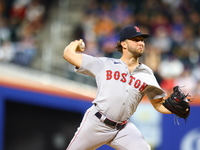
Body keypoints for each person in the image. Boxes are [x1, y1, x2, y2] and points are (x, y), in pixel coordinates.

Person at [63, 25, 172, 150]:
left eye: (142, 40)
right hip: (97, 123)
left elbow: (158, 104)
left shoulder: (147, 73)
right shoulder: (105, 64)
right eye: (136, 40)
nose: (141, 43)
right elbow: (68, 54)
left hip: (123, 128)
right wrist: (75, 43)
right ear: (124, 44)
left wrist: (177, 109)